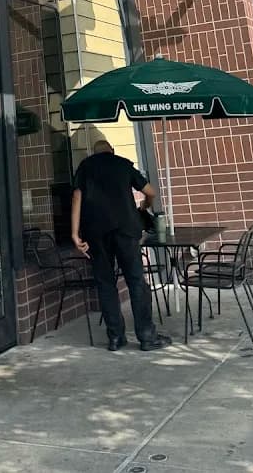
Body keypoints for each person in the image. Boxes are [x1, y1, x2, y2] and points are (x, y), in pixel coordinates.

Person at [71, 139, 171, 352]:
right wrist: (145, 206)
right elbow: (151, 192)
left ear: (93, 153)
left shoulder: (85, 167)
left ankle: (115, 338)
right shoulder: (123, 164)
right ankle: (146, 336)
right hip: (126, 230)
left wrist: (74, 233)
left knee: (105, 284)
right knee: (136, 282)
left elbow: (77, 198)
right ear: (112, 151)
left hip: (95, 233)